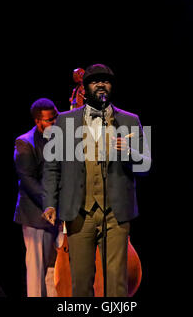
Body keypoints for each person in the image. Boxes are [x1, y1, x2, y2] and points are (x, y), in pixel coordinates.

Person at [42, 64, 151, 297]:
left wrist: (129, 152)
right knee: (80, 285)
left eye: (107, 81)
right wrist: (50, 202)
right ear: (85, 88)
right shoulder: (63, 121)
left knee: (117, 285)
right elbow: (52, 166)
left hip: (116, 213)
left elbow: (146, 164)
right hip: (79, 212)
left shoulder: (131, 120)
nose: (101, 85)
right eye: (94, 81)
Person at [13, 98, 60, 297]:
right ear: (37, 121)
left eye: (55, 118)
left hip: (59, 214)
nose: (54, 123)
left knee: (54, 270)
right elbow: (28, 181)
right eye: (49, 120)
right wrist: (52, 204)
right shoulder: (24, 142)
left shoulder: (60, 139)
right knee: (36, 271)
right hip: (35, 216)